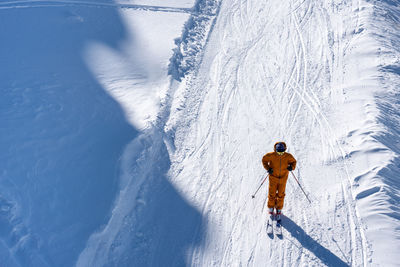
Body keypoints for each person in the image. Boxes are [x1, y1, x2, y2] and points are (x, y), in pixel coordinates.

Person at [262, 142, 296, 222]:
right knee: (272, 193)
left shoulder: (288, 156)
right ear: (275, 150)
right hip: (273, 178)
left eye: (282, 152)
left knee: (281, 194)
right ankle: (271, 207)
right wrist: (268, 168)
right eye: (278, 152)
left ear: (284, 150)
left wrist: (292, 167)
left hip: (283, 178)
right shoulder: (271, 155)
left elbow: (294, 162)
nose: (280, 154)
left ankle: (279, 209)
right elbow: (264, 160)